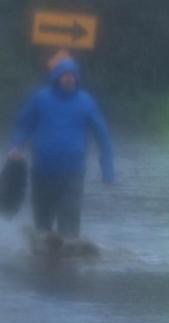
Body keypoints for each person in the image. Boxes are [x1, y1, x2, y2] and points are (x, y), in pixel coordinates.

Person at [8, 57, 114, 238]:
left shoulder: (86, 102)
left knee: (69, 225)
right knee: (42, 223)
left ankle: (68, 260)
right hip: (42, 171)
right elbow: (24, 125)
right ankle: (43, 261)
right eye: (64, 75)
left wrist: (108, 170)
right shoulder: (40, 98)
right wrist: (16, 146)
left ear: (77, 78)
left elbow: (102, 136)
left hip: (72, 173)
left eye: (72, 75)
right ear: (56, 76)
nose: (69, 78)